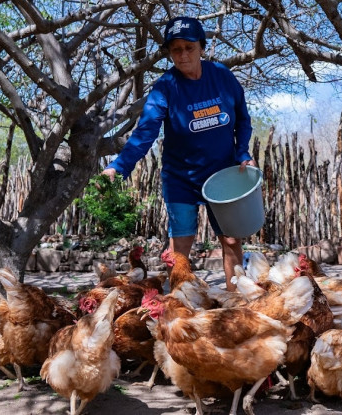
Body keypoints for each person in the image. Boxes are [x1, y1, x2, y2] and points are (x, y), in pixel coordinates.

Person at [102, 16, 256, 291]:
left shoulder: (222, 77)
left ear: (202, 47)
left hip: (223, 176)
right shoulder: (165, 87)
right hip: (181, 179)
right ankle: (178, 304)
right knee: (180, 246)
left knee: (231, 240)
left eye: (189, 47)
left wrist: (242, 151)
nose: (183, 54)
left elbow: (243, 119)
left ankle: (237, 302)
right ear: (169, 52)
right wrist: (120, 166)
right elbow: (146, 131)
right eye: (176, 49)